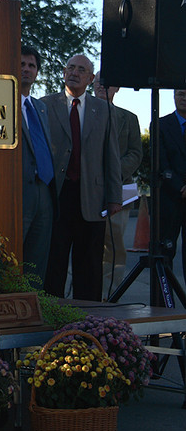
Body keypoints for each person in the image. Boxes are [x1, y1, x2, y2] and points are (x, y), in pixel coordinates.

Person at [41, 54, 122, 301]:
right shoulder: (44, 105)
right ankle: (52, 316)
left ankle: (89, 320)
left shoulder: (104, 110)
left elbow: (112, 156)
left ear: (90, 78)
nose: (74, 73)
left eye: (81, 69)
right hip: (56, 196)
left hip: (92, 197)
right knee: (54, 261)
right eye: (70, 68)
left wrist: (114, 197)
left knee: (89, 264)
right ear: (64, 73)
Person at [93, 72, 143, 297]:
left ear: (117, 89)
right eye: (98, 82)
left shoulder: (129, 118)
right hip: (86, 191)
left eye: (108, 83)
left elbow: (135, 153)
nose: (103, 86)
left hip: (121, 191)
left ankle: (110, 295)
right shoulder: (81, 113)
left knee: (114, 248)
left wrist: (112, 174)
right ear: (92, 85)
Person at [20, 45, 56, 283]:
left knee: (37, 261)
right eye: (21, 64)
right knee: (13, 256)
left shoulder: (40, 107)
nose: (26, 69)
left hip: (45, 190)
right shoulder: (0, 102)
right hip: (19, 192)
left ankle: (33, 306)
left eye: (31, 66)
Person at [159, 89, 186, 282]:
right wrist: (180, 187)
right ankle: (161, 307)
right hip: (169, 199)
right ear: (174, 96)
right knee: (165, 254)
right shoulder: (161, 125)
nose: (184, 98)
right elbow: (161, 163)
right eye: (181, 94)